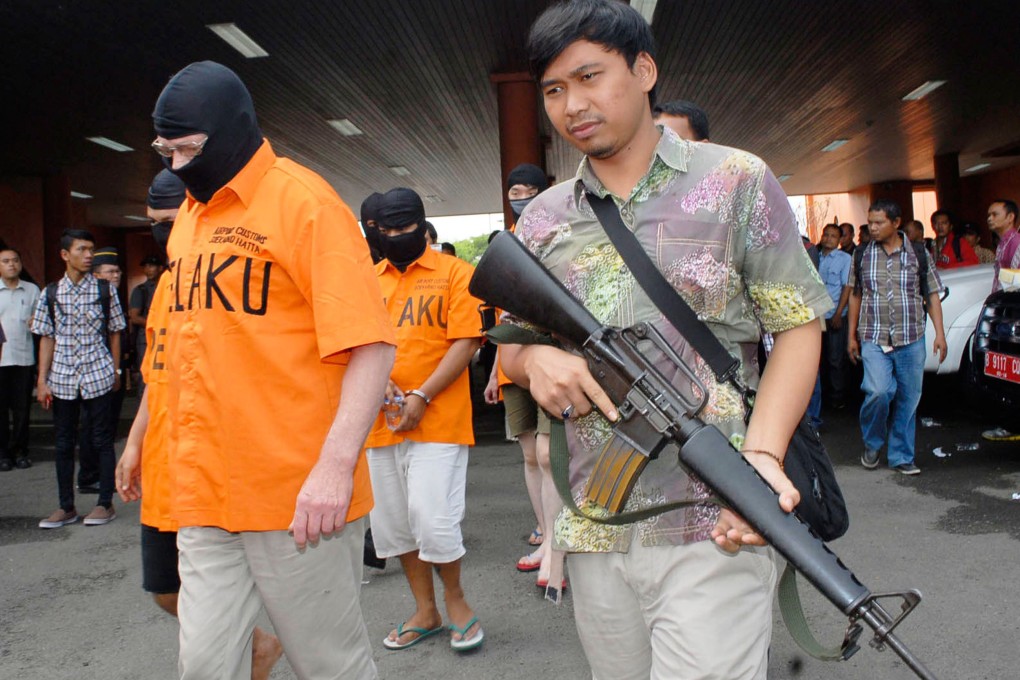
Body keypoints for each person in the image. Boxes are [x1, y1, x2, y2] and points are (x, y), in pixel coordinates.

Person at [500, 2, 831, 677]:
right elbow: (510, 347)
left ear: (643, 69)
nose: (573, 104)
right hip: (598, 522)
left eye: (590, 76)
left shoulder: (734, 181)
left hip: (718, 518)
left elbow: (798, 324)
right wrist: (535, 361)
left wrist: (762, 459)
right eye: (554, 90)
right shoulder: (543, 218)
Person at [152, 60, 395, 679]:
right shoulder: (188, 215)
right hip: (205, 493)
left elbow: (371, 345)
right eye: (164, 151)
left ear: (232, 132)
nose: (175, 166)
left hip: (297, 501)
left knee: (330, 665)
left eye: (187, 150)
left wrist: (335, 468)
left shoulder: (305, 203)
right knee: (204, 664)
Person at [115, 169, 284, 680]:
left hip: (217, 467)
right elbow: (155, 375)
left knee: (230, 598)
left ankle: (245, 654)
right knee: (165, 590)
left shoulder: (226, 277)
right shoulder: (165, 285)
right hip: (166, 464)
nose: (163, 234)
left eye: (170, 221)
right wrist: (134, 444)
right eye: (153, 224)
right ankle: (257, 646)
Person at [365, 187, 486, 652]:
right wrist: (379, 383)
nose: (397, 237)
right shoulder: (366, 281)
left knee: (433, 520)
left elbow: (467, 341)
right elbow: (355, 344)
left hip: (439, 420)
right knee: (395, 527)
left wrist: (421, 394)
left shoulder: (457, 273)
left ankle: (457, 603)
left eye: (406, 229)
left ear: (423, 225)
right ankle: (426, 610)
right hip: (379, 422)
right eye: (387, 231)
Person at [484, 163, 565, 599]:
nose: (521, 196)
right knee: (531, 455)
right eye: (515, 190)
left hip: (553, 355)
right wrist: (499, 368)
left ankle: (556, 546)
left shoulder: (562, 227)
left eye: (529, 190)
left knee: (551, 454)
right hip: (513, 356)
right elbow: (504, 315)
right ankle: (544, 532)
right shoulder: (508, 240)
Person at [32, 229, 126, 528]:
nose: (88, 256)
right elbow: (46, 338)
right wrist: (42, 380)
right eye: (82, 250)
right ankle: (65, 507)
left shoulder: (104, 290)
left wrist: (115, 371)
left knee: (101, 440)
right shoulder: (50, 293)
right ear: (65, 254)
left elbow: (115, 331)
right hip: (62, 377)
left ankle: (104, 503)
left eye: (91, 250)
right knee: (63, 444)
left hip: (97, 373)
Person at [848, 200, 947, 475]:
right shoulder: (862, 254)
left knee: (908, 398)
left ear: (896, 222)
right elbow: (855, 295)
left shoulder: (919, 254)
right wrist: (851, 336)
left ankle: (902, 455)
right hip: (873, 337)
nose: (873, 227)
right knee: (878, 392)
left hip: (911, 338)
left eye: (878, 222)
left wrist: (939, 334)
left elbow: (932, 295)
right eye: (870, 222)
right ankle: (872, 442)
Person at [77, 246, 130, 492]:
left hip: (113, 371)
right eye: (110, 271)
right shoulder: (95, 298)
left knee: (106, 426)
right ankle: (89, 476)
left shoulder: (113, 297)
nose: (116, 275)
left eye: (118, 271)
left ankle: (101, 474)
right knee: (93, 427)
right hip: (97, 372)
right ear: (97, 275)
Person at [981, 199, 1020, 443]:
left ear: (1010, 217)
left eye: (995, 214)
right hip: (1005, 317)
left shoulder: (1016, 244)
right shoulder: (1003, 243)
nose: (989, 218)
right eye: (988, 214)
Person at [0, 247, 40, 471]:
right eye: (5, 261)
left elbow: (41, 321)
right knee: (1, 410)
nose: (11, 265)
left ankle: (21, 451)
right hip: (1, 360)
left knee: (22, 409)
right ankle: (3, 453)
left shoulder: (32, 290)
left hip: (24, 358)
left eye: (15, 260)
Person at [818, 224, 852, 409]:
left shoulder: (844, 259)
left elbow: (847, 287)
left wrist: (839, 313)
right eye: (826, 235)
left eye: (833, 236)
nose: (829, 239)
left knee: (835, 359)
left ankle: (838, 398)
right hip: (818, 315)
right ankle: (823, 397)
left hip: (834, 315)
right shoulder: (815, 256)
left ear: (840, 241)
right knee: (819, 358)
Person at [128, 254, 162, 388]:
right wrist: (157, 325)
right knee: (146, 377)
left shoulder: (166, 287)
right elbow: (135, 317)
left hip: (165, 337)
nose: (148, 269)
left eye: (151, 266)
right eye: (146, 266)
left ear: (160, 268)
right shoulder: (140, 290)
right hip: (145, 339)